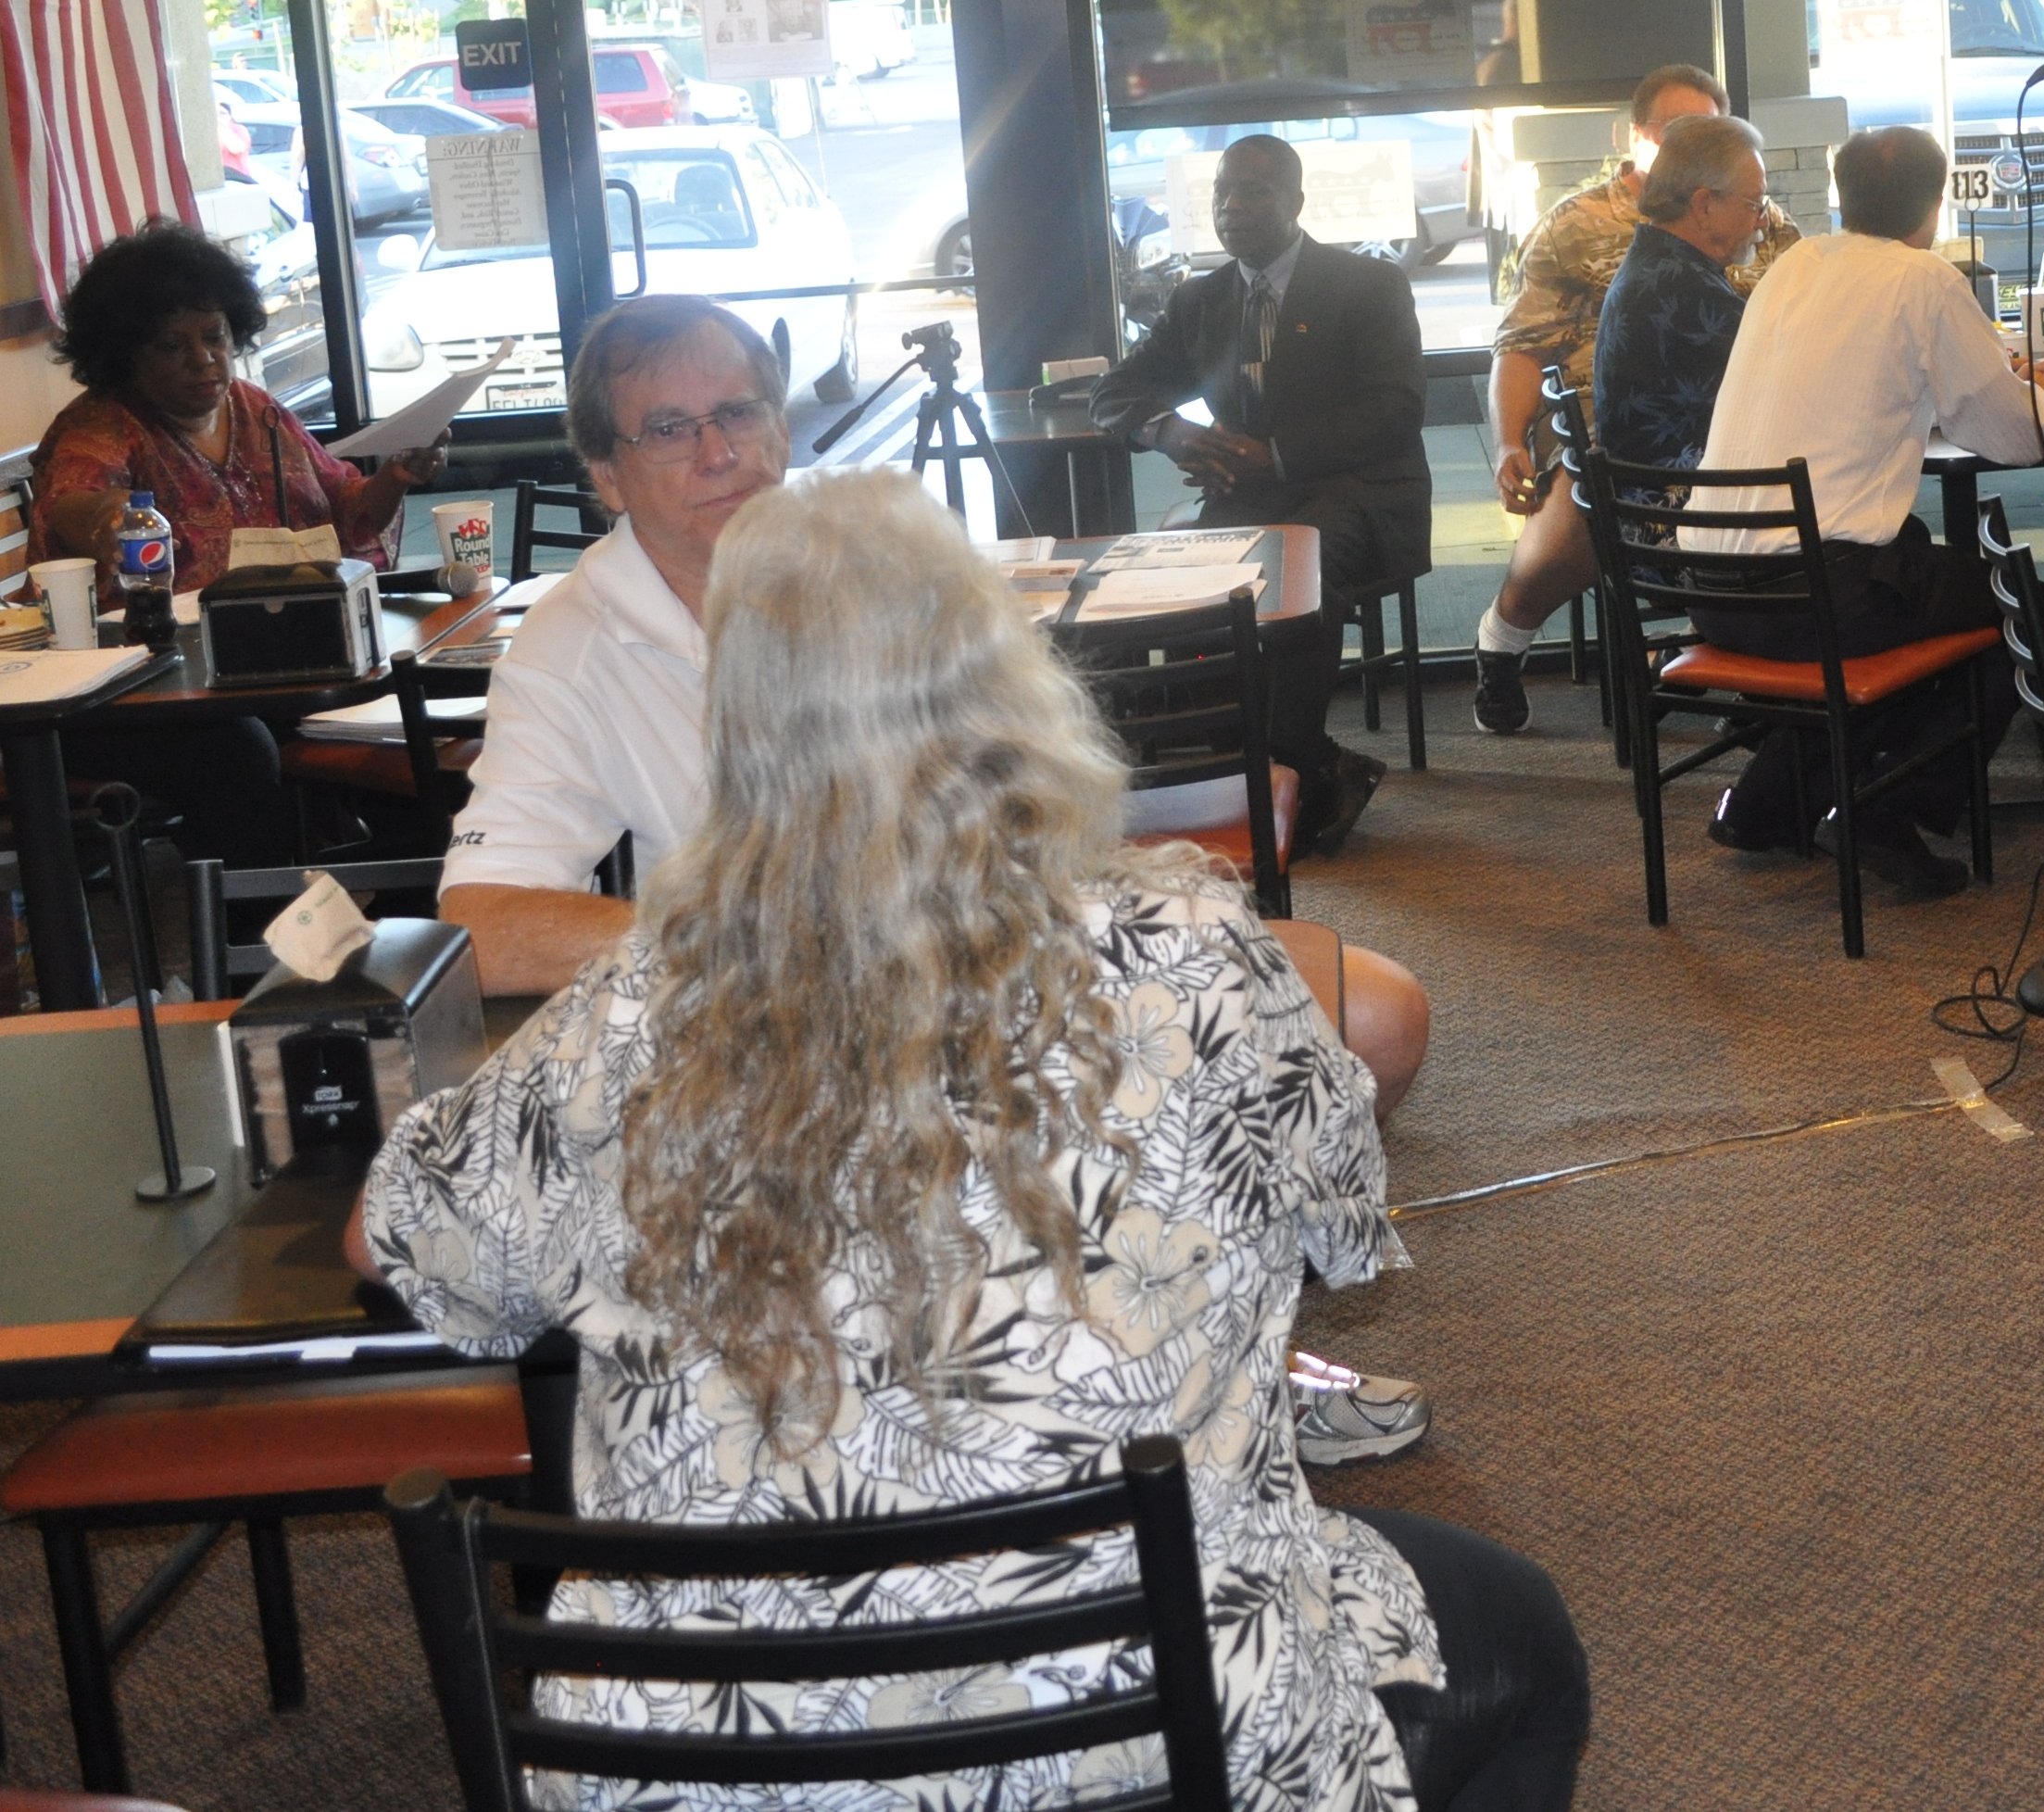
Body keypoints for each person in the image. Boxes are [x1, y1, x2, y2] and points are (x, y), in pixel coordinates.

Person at [362, 471, 1590, 1812]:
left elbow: (394, 1243)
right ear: (1010, 676)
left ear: (741, 726)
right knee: (1519, 1637)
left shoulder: (624, 1015)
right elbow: (1334, 1207)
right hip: (1143, 1738)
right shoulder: (1194, 956)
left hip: (712, 1774)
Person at [443, 295, 1433, 1463]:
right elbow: (482, 922)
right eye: (668, 430)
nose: (717, 452)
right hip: (785, 1024)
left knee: (1374, 1016)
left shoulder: (872, 554)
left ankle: (1209, 1350)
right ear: (606, 475)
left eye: (739, 413)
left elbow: (1032, 807)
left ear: (782, 427)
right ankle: (948, 1383)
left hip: (995, 954)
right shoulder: (574, 642)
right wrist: (760, 941)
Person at [1681, 126, 2044, 898]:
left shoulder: (1792, 266)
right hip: (1817, 599)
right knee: (2031, 608)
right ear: (1935, 202)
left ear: (1843, 195)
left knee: (1914, 571)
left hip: (1709, 588)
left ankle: (1766, 803)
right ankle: (1890, 807)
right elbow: (2008, 435)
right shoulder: (1923, 280)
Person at [31, 221, 445, 867]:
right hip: (142, 695)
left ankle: (412, 887)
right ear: (126, 355)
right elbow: (74, 500)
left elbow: (347, 507)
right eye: (173, 346)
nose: (204, 359)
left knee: (409, 701)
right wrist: (108, 519)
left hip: (270, 665)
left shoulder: (256, 409)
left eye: (215, 336)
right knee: (242, 749)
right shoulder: (101, 425)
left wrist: (394, 477)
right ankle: (258, 924)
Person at [1089, 134, 1428, 856]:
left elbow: (1396, 409)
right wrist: (1171, 432)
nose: (1232, 207)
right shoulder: (1201, 299)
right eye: (1222, 192)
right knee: (1169, 576)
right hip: (1246, 499)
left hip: (1357, 491)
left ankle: (1287, 770)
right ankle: (1252, 762)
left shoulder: (1367, 285)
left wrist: (1272, 452)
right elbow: (1113, 393)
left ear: (1296, 202)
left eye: (1254, 191)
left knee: (1296, 572)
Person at [1471, 63, 1802, 733]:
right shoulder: (1577, 223)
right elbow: (1523, 344)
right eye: (1673, 128)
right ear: (1634, 135)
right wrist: (1507, 442)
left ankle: (1724, 659)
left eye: (1704, 127)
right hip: (1603, 406)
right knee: (1591, 494)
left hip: (1723, 404)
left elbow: (1803, 308)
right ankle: (1503, 639)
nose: (1687, 139)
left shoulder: (1756, 214)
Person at [1588, 115, 1770, 486]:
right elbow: (1782, 391)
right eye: (1754, 204)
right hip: (1676, 511)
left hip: (1649, 499)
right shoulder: (1685, 293)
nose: (1763, 222)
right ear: (1703, 206)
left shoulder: (1656, 263)